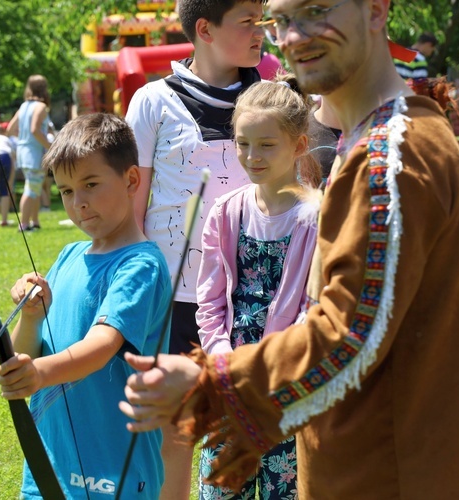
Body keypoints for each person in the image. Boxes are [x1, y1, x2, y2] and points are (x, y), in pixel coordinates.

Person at [120, 0, 459, 498]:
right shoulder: (385, 138)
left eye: (316, 11)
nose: (294, 36)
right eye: (280, 21)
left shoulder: (389, 157)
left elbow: (349, 334)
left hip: (394, 472)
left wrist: (213, 380)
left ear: (377, 10)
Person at [0, 113, 172, 498]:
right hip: (49, 468)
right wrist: (32, 318)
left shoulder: (141, 265)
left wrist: (39, 373)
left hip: (115, 471)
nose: (79, 202)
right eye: (66, 191)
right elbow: (24, 354)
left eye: (90, 184)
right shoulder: (69, 256)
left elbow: (101, 347)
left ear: (132, 180)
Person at [124, 1, 266, 496]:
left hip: (254, 299)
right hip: (177, 302)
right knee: (179, 431)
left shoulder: (274, 98)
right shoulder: (152, 101)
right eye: (248, 20)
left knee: (250, 430)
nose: (261, 30)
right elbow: (132, 209)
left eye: (263, 17)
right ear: (204, 29)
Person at [195, 76, 321, 499]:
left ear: (299, 145)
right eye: (243, 143)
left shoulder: (316, 218)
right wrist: (225, 364)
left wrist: (269, 372)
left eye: (267, 144)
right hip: (229, 382)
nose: (252, 155)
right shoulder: (224, 212)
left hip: (285, 387)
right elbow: (209, 302)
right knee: (222, 488)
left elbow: (311, 308)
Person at [7, 75, 51, 231]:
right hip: (34, 155)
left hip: (23, 153)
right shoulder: (40, 107)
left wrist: (23, 139)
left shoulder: (24, 106)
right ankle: (24, 224)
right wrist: (51, 147)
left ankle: (35, 222)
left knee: (35, 188)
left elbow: (9, 130)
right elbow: (35, 130)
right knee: (31, 190)